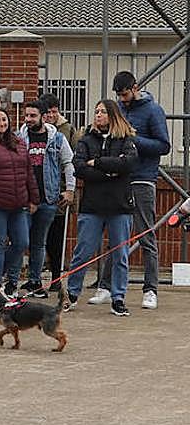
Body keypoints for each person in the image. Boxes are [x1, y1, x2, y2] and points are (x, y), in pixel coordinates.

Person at [65, 99, 138, 317]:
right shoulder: (86, 140)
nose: (98, 115)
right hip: (92, 206)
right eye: (96, 111)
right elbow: (79, 167)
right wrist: (110, 172)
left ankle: (118, 298)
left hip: (120, 206)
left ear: (113, 115)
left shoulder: (126, 140)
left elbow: (128, 164)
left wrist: (97, 163)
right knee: (83, 251)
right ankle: (72, 294)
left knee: (120, 254)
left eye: (103, 112)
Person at [111, 71, 169, 311]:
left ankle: (150, 290)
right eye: (119, 95)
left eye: (125, 94)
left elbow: (164, 145)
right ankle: (106, 287)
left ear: (135, 88)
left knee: (146, 235)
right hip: (119, 178)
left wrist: (134, 139)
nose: (122, 99)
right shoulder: (118, 109)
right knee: (116, 235)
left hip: (143, 178)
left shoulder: (153, 110)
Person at [0, 107, 37, 296]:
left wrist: (34, 198)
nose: (1, 123)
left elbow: (28, 172)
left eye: (3, 119)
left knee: (21, 242)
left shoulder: (18, 142)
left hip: (19, 204)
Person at [18, 100, 74, 298]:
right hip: (24, 199)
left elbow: (68, 163)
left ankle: (35, 282)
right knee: (20, 241)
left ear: (43, 117)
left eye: (33, 116)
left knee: (39, 242)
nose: (28, 119)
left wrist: (70, 189)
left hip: (48, 198)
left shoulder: (57, 138)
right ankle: (13, 281)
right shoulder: (18, 138)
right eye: (26, 115)